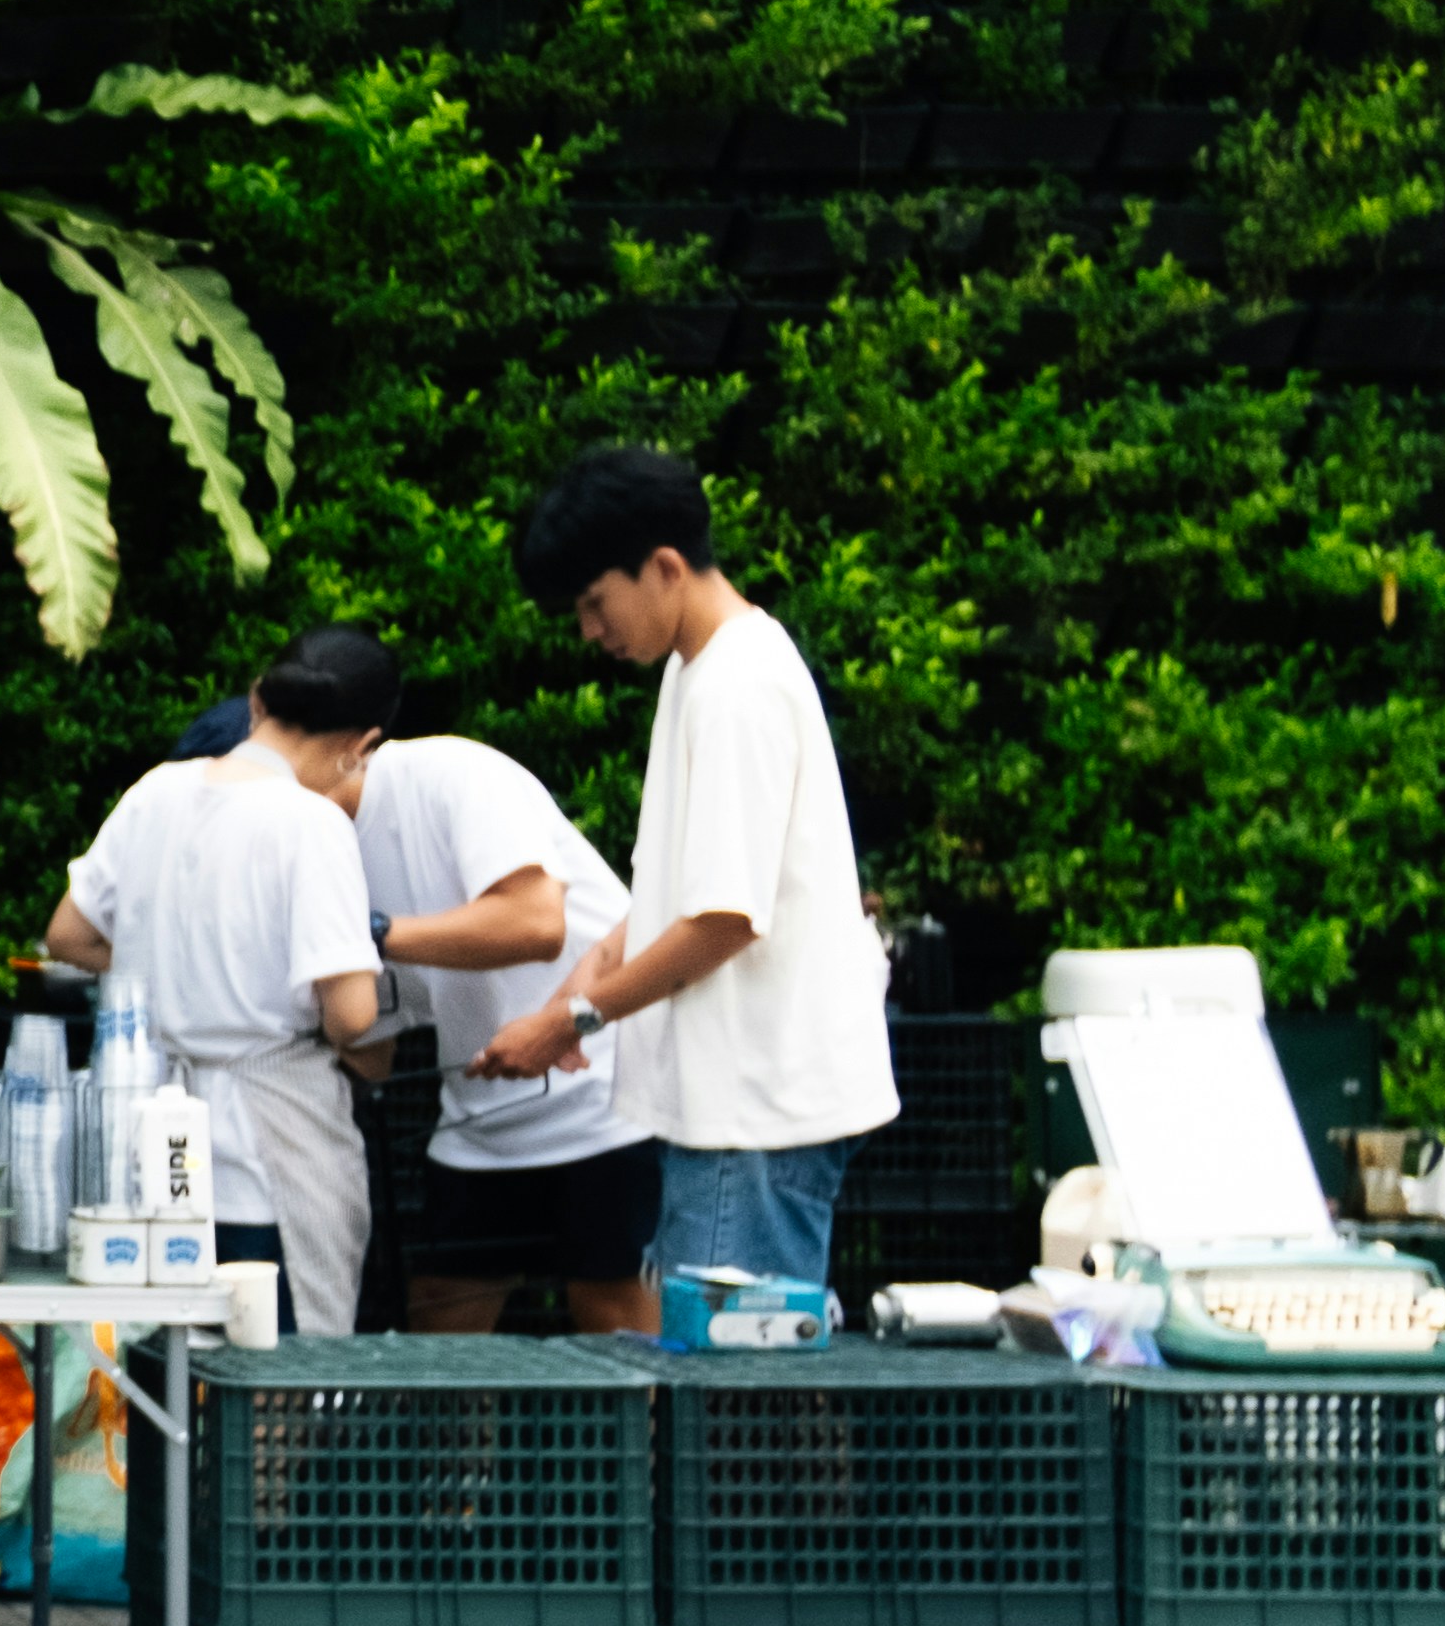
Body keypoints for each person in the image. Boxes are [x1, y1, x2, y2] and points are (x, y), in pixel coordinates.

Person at [479, 445, 896, 1289]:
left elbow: (723, 920)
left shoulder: (734, 687)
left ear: (664, 566)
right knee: (748, 1391)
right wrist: (586, 974)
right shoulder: (698, 668)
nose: (589, 630)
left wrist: (576, 1020)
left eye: (595, 602)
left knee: (738, 1399)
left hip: (750, 1117)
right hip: (742, 1110)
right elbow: (692, 883)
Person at [43, 622, 403, 1328]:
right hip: (266, 1152)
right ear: (361, 745)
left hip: (146, 1146)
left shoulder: (155, 791)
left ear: (256, 699)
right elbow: (352, 1014)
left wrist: (160, 974)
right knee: (268, 1389)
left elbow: (67, 934)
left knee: (163, 1371)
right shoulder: (310, 822)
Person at [354, 716, 661, 1334]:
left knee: (610, 1310)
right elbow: (370, 1050)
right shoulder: (309, 846)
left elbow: (536, 926)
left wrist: (372, 931)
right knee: (441, 1315)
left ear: (343, 744)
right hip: (476, 1120)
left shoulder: (452, 772)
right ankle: (460, 1436)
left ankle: (653, 1436)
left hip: (604, 1096)